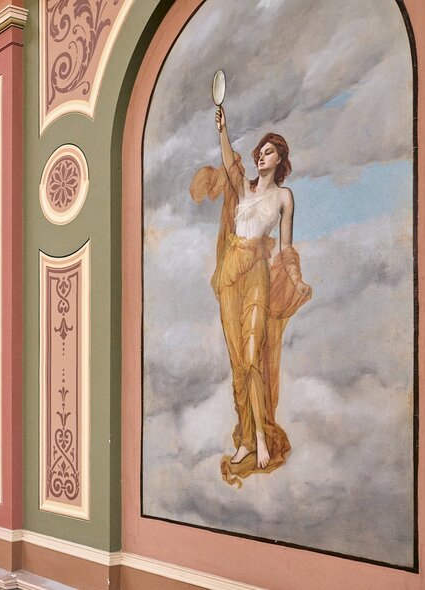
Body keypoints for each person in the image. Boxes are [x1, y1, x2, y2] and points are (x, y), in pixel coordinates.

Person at [189, 106, 312, 487]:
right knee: (238, 362)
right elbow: (229, 164)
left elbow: (286, 247)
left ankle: (260, 438)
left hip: (258, 270)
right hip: (231, 274)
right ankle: (244, 437)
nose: (261, 155)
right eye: (259, 150)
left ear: (281, 160)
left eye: (269, 152)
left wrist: (294, 278)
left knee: (252, 352)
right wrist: (223, 130)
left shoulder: (284, 197)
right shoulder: (244, 187)